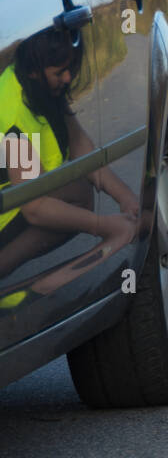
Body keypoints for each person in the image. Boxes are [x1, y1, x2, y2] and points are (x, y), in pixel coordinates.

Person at [0, 27, 139, 297]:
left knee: (77, 189)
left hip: (17, 202)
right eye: (59, 72)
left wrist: (126, 198)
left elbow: (79, 145)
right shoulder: (9, 114)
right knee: (74, 197)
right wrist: (102, 225)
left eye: (70, 68)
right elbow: (35, 207)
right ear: (33, 71)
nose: (67, 77)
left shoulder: (38, 85)